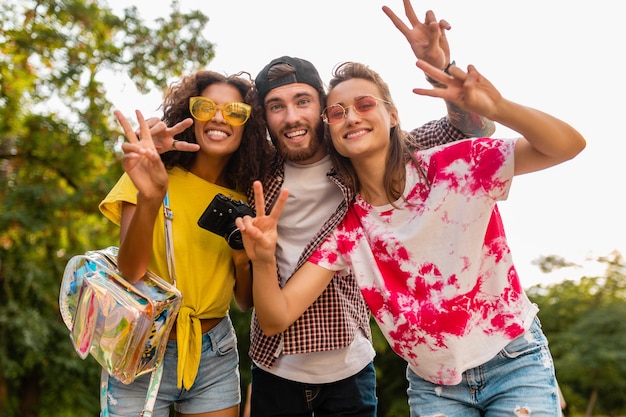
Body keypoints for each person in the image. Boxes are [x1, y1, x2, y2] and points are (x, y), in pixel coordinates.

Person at [146, 5, 493, 416]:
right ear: (264, 118)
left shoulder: (363, 156)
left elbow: (473, 128)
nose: (292, 117)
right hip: (274, 366)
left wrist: (439, 69)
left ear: (323, 106)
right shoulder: (256, 173)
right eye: (276, 106)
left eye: (302, 101)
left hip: (350, 367)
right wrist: (149, 144)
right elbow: (198, 154)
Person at [235, 36, 586, 417]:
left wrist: (494, 104)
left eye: (364, 105)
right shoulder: (349, 229)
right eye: (338, 112)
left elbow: (565, 145)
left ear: (393, 115)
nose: (351, 116)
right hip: (432, 383)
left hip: (511, 357)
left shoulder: (453, 165)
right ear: (329, 127)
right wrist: (264, 258)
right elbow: (276, 317)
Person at [99, 70, 272, 417]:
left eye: (235, 111)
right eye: (206, 107)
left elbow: (243, 301)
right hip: (142, 347)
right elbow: (131, 272)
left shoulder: (246, 197)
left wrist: (242, 259)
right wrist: (151, 198)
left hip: (215, 353)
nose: (219, 118)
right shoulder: (150, 172)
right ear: (189, 116)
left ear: (247, 127)